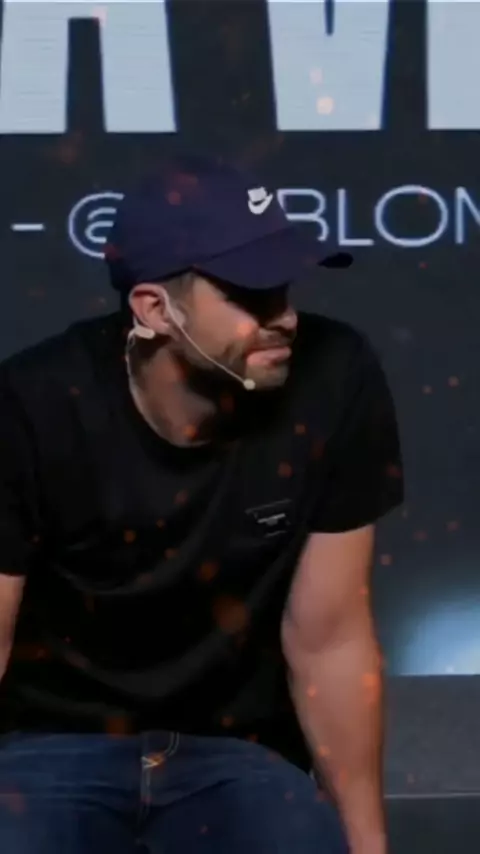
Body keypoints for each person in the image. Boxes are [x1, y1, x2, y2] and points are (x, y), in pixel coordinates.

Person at [0, 154, 403, 854]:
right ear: (155, 309)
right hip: (49, 749)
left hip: (239, 752)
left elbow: (329, 640)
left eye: (284, 286)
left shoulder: (336, 377)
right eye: (251, 295)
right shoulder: (32, 406)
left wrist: (367, 846)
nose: (284, 317)